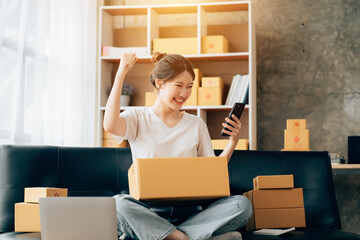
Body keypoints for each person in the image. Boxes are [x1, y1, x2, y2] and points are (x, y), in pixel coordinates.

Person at [103, 52, 252, 240]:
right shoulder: (137, 117)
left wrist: (232, 142)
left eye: (189, 87)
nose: (184, 94)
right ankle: (186, 238)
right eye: (179, 86)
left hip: (191, 213)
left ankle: (169, 237)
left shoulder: (196, 124)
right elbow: (110, 125)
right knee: (118, 204)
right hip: (149, 213)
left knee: (242, 205)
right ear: (159, 83)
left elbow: (212, 172)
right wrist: (121, 73)